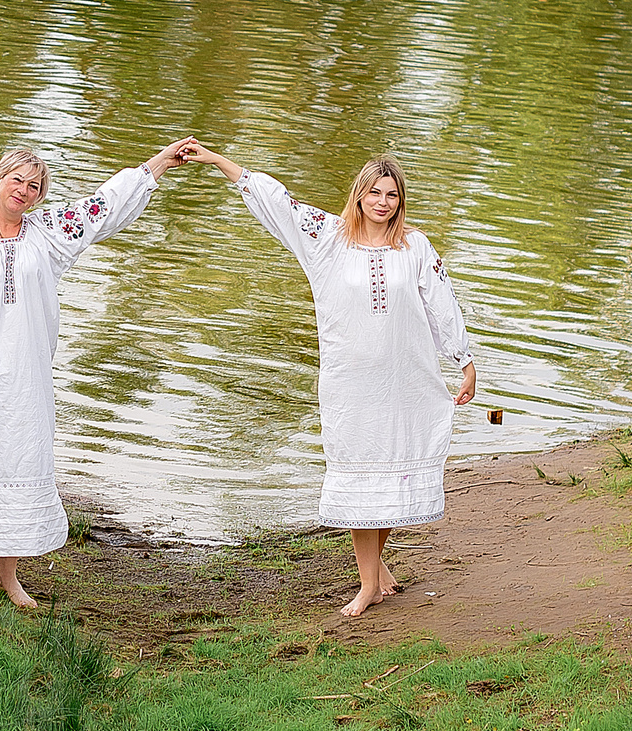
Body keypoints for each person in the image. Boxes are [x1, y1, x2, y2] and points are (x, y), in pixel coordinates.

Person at [0, 138, 199, 607]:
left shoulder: (49, 232)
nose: (23, 190)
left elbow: (103, 204)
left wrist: (158, 162)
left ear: (40, 196)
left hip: (25, 375)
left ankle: (9, 574)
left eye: (34, 186)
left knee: (20, 455)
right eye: (16, 179)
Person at [188, 146, 476, 617]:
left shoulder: (415, 247)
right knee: (361, 476)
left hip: (405, 382)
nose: (383, 202)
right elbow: (279, 203)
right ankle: (369, 584)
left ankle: (375, 572)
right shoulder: (328, 239)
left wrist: (464, 360)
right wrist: (222, 163)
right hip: (352, 385)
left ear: (401, 202)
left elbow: (440, 303)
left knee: (390, 475)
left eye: (392, 195)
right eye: (374, 193)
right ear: (359, 195)